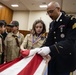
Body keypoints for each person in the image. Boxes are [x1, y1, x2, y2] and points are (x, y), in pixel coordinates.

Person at [34, 1, 76, 75]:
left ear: (58, 9)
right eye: (48, 13)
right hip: (53, 61)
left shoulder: (70, 21)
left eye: (51, 11)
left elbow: (70, 42)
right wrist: (39, 49)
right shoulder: (52, 24)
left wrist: (50, 48)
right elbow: (49, 41)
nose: (49, 14)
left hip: (65, 62)